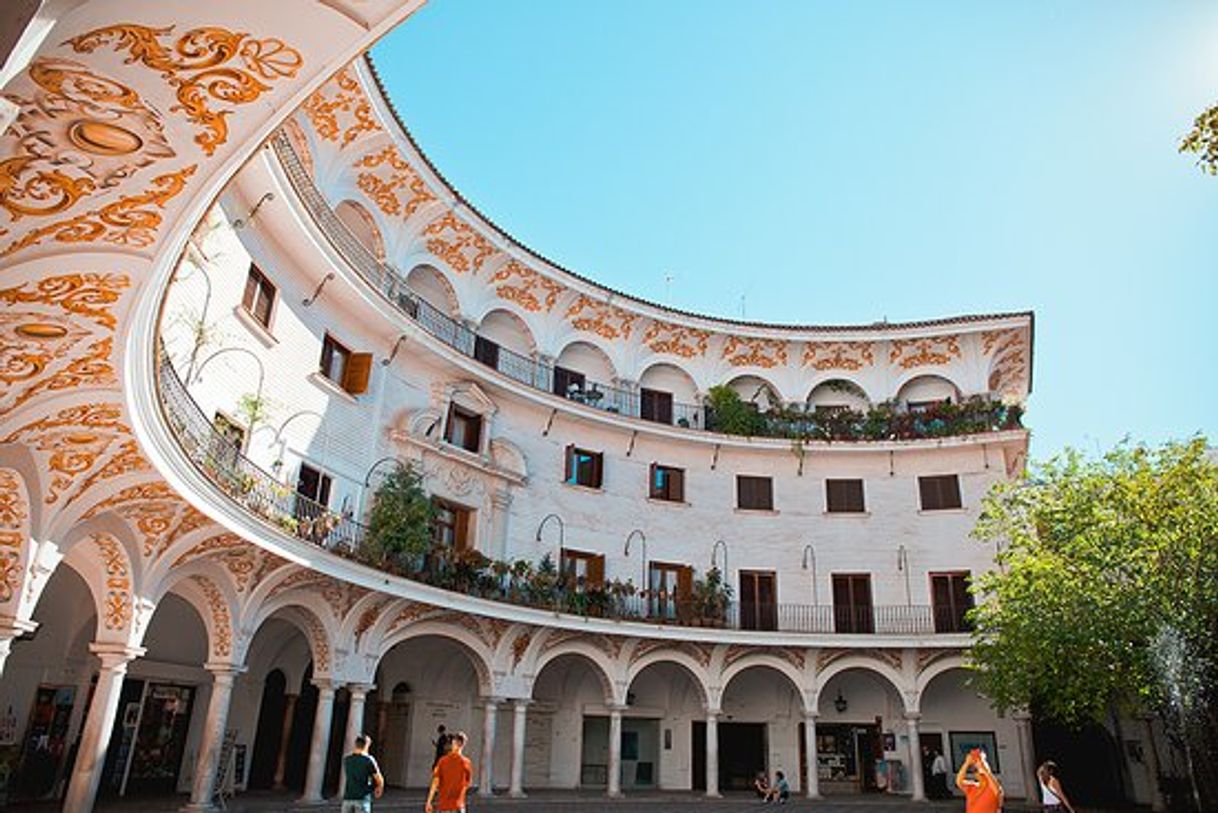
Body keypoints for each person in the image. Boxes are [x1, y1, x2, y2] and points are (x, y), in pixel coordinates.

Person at [426, 730, 472, 813]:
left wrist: (429, 801)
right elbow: (467, 784)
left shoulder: (443, 761)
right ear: (463, 745)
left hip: (444, 805)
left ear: (453, 744)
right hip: (459, 805)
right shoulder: (467, 763)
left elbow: (435, 782)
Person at [340, 734, 384, 813]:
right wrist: (379, 789)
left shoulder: (347, 759)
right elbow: (378, 778)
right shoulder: (368, 760)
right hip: (362, 798)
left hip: (348, 797)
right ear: (367, 745)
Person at [956, 748, 1003, 813]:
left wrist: (983, 767)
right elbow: (959, 782)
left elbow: (997, 789)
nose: (978, 772)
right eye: (976, 770)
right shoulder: (973, 787)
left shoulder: (992, 788)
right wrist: (966, 763)